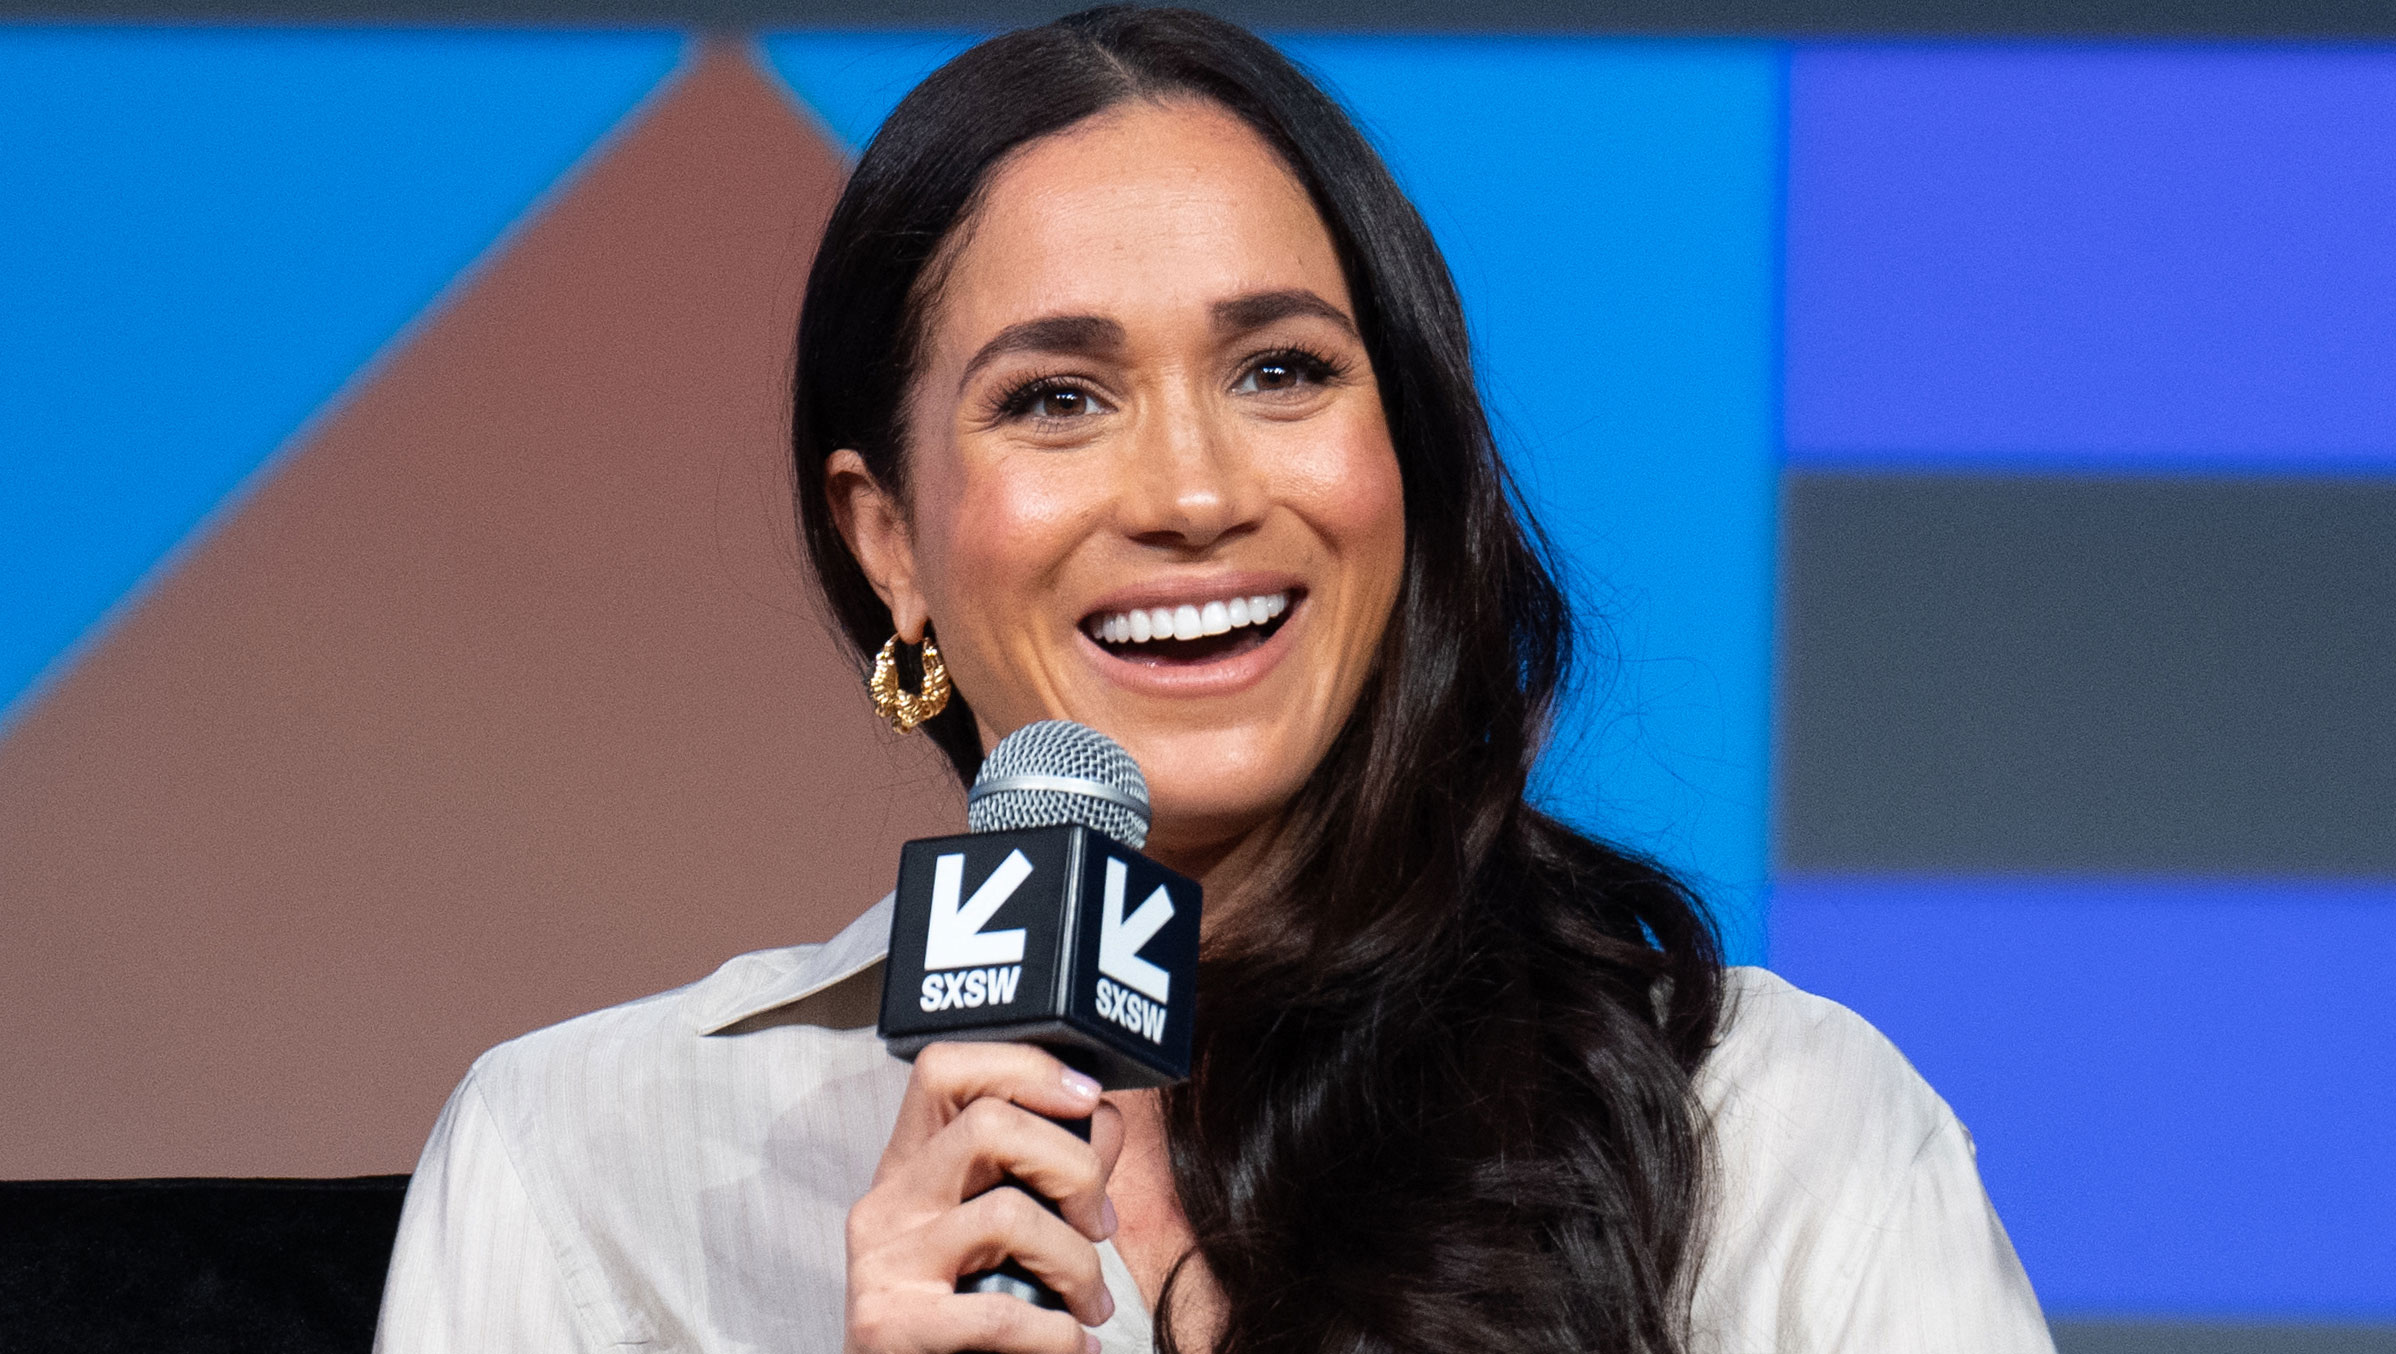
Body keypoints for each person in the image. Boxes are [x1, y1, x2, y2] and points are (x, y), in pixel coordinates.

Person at [374, 8, 2054, 1352]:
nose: (1192, 493)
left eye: (1280, 371)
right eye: (1055, 397)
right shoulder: (582, 1168)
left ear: (1407, 463)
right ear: (888, 539)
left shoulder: (1771, 1135)